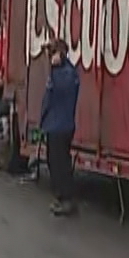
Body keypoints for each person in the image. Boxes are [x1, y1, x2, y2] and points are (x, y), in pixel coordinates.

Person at [40, 38, 80, 215]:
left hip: (60, 125)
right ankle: (61, 198)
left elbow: (53, 95)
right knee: (54, 162)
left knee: (60, 164)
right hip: (56, 124)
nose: (50, 57)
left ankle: (66, 199)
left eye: (52, 53)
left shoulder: (65, 74)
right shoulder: (63, 72)